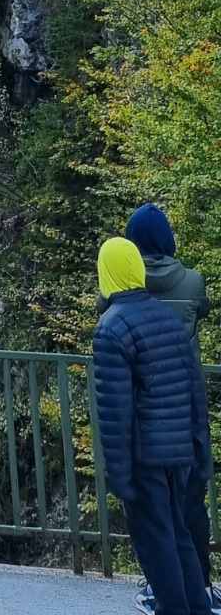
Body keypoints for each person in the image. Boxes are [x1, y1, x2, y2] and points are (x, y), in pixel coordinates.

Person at [93, 237, 211, 615]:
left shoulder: (111, 328)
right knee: (179, 538)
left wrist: (119, 476)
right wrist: (200, 451)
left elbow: (116, 412)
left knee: (156, 546)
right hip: (179, 452)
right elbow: (195, 390)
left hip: (144, 456)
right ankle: (198, 608)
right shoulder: (164, 315)